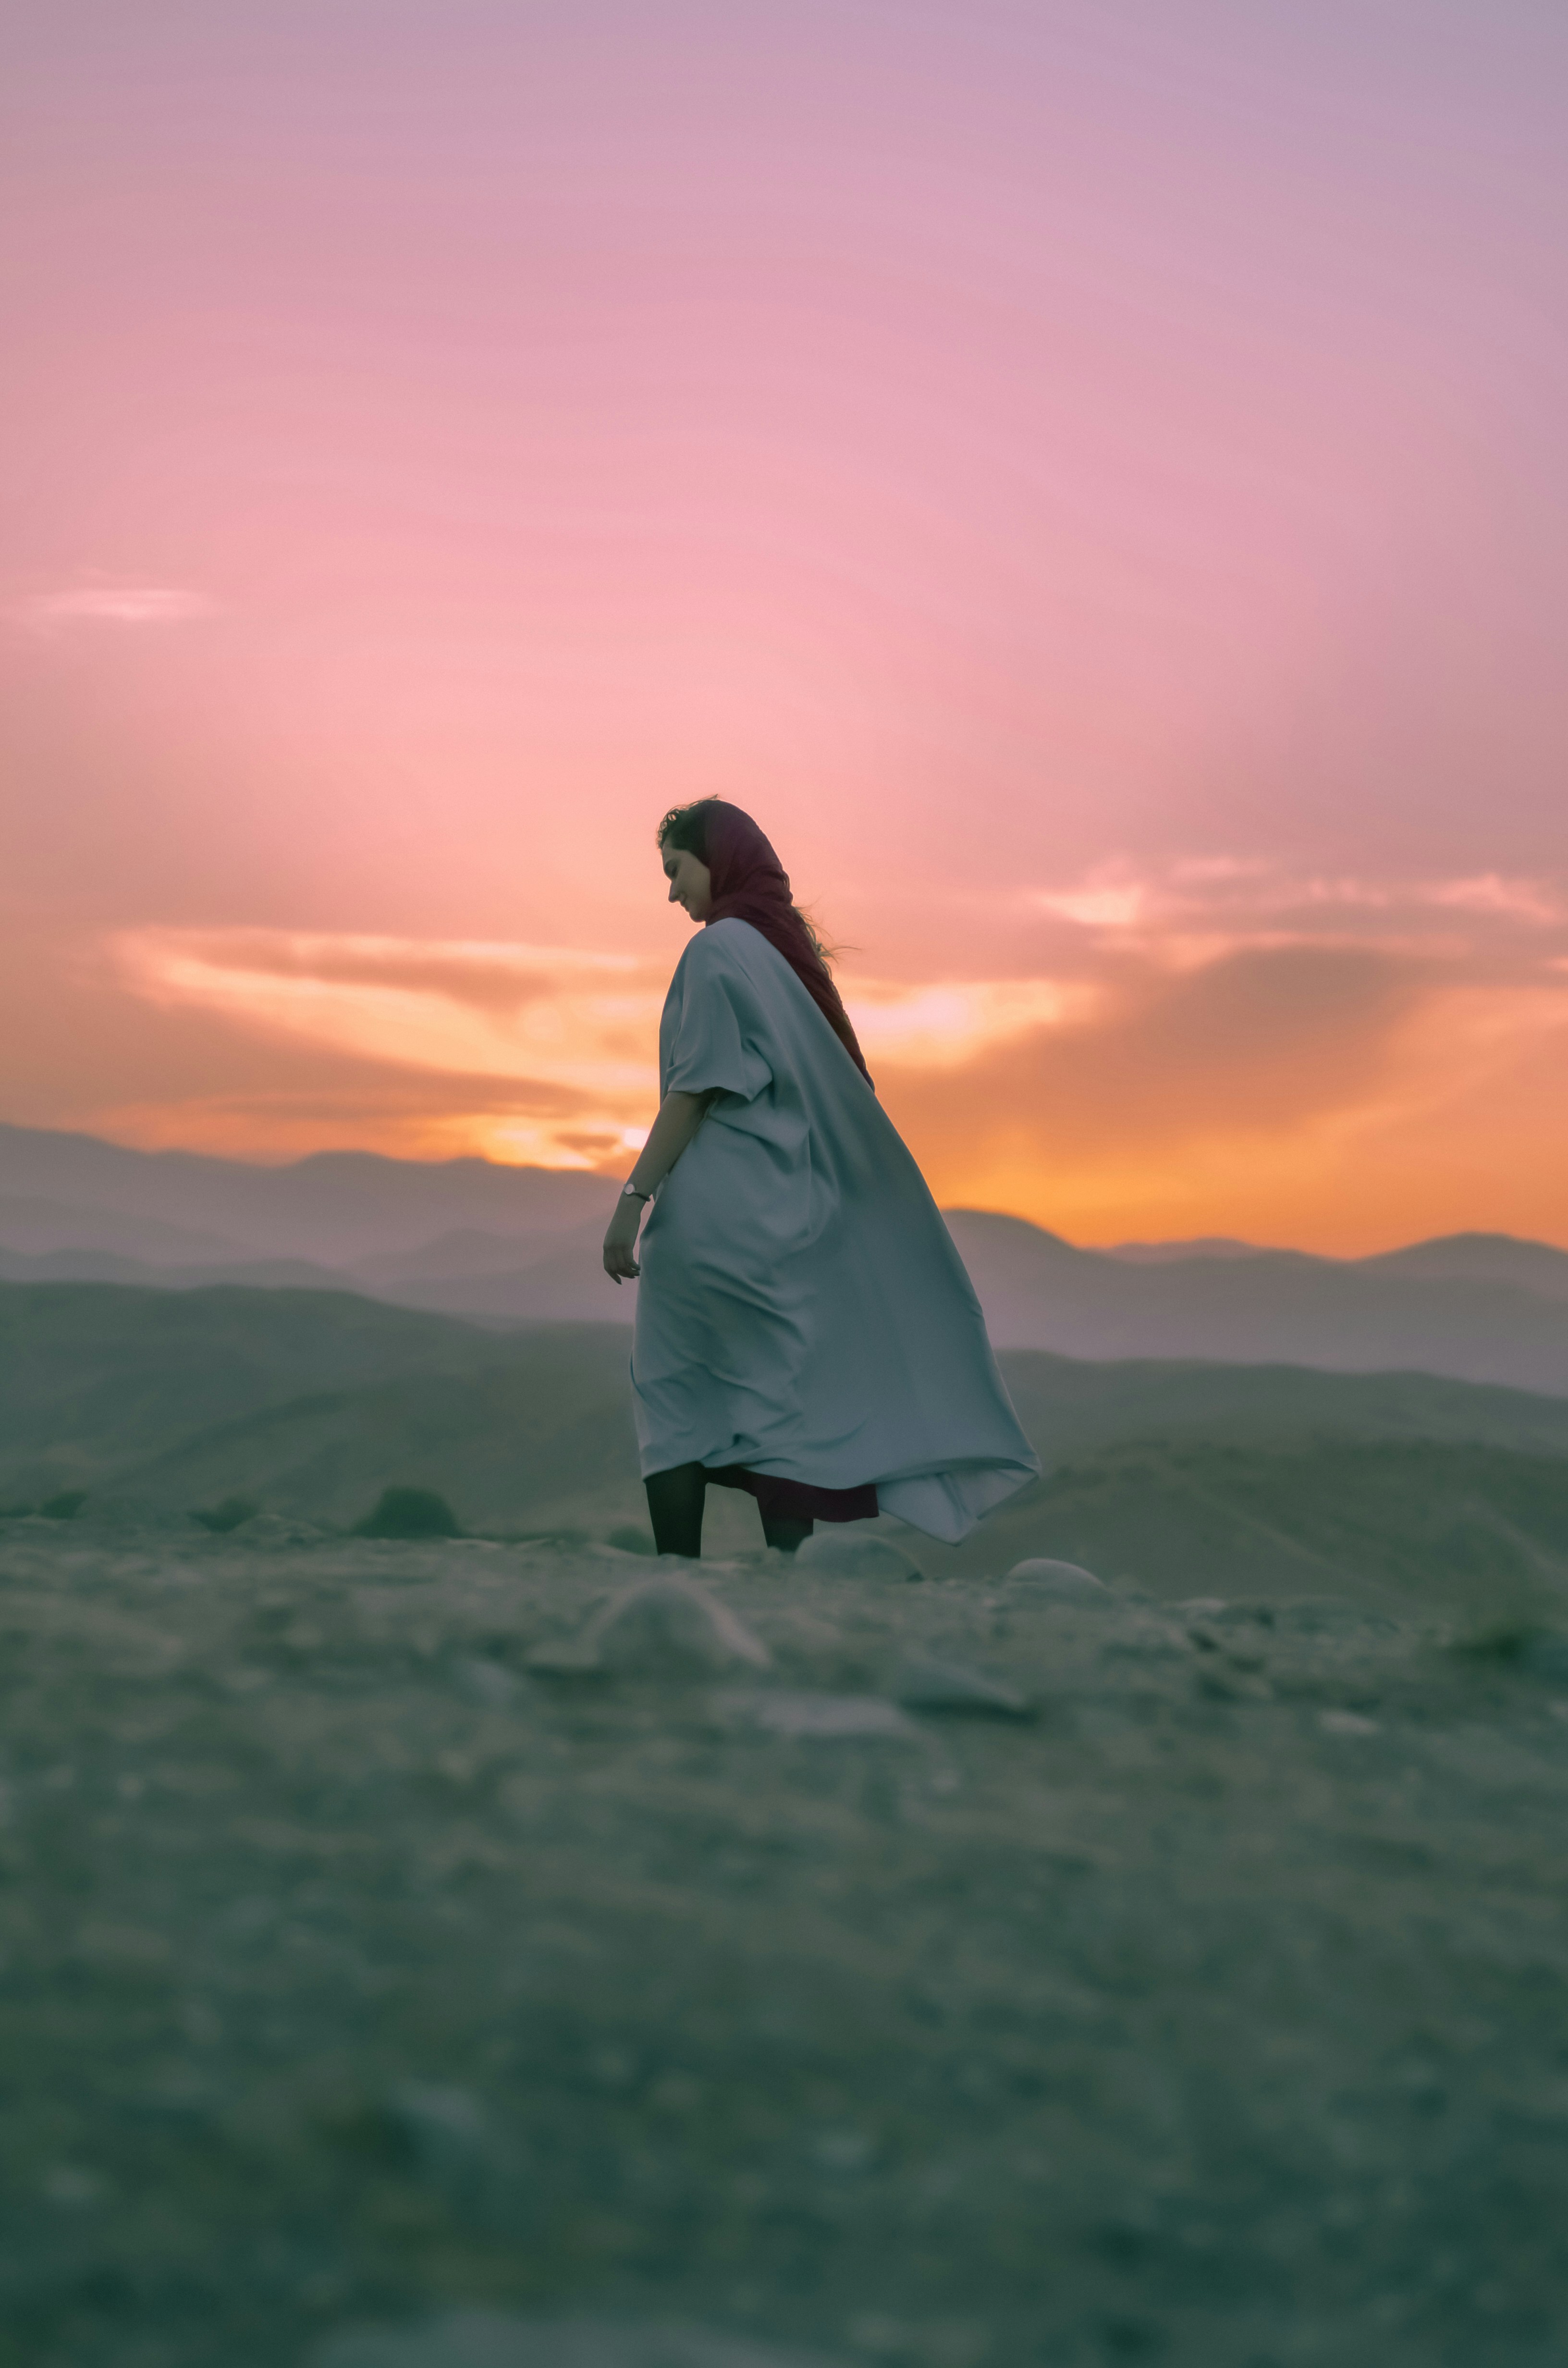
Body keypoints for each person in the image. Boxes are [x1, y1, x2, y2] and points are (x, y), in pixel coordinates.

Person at [602, 798, 1039, 1558]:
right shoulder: (788, 964)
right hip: (787, 1220)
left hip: (713, 1212)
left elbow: (694, 1089)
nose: (672, 893)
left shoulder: (715, 953)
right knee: (779, 1409)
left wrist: (632, 1198)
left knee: (671, 1388)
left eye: (677, 871)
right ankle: (789, 1578)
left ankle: (676, 1577)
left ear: (719, 860)